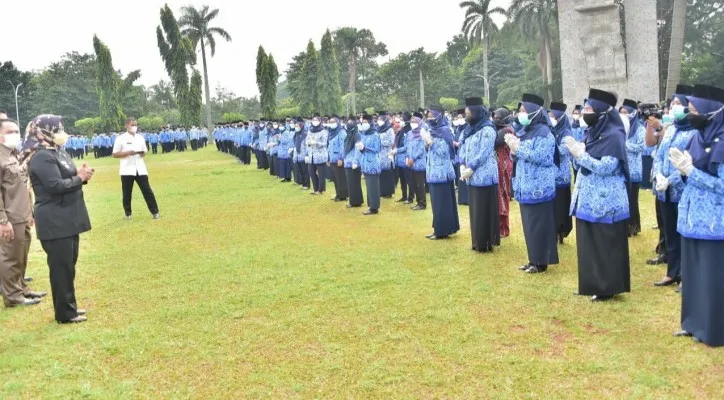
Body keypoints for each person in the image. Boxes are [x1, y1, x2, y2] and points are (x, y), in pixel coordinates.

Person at [671, 84, 724, 347]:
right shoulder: (696, 137)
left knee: (711, 276)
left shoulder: (723, 141)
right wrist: (678, 173)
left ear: (711, 111)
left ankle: (712, 329)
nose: (690, 114)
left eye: (694, 109)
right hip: (691, 217)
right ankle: (692, 323)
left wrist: (692, 173)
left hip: (714, 221)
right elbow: (688, 171)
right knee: (692, 274)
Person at [565, 88, 631, 302]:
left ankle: (607, 287)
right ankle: (590, 283)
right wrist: (577, 154)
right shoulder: (592, 132)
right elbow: (582, 161)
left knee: (604, 244)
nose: (585, 113)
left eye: (589, 109)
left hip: (605, 201)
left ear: (602, 112)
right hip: (587, 199)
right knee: (588, 244)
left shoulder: (614, 136)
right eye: (584, 108)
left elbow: (607, 167)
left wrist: (581, 156)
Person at [27, 115, 92, 323]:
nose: (61, 132)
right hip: (55, 220)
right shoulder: (41, 157)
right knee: (61, 268)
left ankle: (69, 307)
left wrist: (81, 174)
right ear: (43, 132)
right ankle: (64, 313)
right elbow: (55, 186)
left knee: (69, 265)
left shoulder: (57, 152)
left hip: (68, 218)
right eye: (56, 129)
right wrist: (79, 178)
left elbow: (67, 178)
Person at [505, 93, 559, 274]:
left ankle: (541, 261)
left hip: (538, 187)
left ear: (535, 113)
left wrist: (519, 149)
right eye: (520, 111)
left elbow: (542, 157)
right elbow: (519, 156)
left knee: (539, 225)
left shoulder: (544, 133)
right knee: (529, 225)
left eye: (523, 111)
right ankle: (532, 259)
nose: (520, 114)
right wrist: (513, 150)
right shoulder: (525, 131)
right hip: (524, 185)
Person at [651, 84, 698, 288]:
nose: (674, 107)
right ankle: (672, 271)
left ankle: (686, 275)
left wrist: (671, 179)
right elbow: (659, 155)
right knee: (669, 232)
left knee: (683, 234)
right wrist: (658, 175)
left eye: (679, 103)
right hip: (665, 192)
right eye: (672, 104)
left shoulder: (694, 133)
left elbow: (688, 163)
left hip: (681, 190)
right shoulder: (670, 131)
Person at [0, 119, 47, 307]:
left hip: (22, 214)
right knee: (10, 257)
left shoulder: (14, 154)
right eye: (10, 131)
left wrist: (30, 212)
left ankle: (21, 289)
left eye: (16, 131)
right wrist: (2, 220)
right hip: (9, 217)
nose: (15, 134)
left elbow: (22, 186)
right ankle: (12, 296)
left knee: (21, 255)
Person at [459, 97, 499, 251]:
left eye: (468, 112)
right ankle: (476, 241)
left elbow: (485, 151)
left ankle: (486, 242)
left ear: (476, 112)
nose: (466, 115)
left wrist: (471, 167)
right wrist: (462, 163)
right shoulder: (467, 129)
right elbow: (462, 147)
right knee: (474, 210)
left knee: (484, 210)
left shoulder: (488, 129)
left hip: (485, 176)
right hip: (471, 176)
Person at [112, 118, 160, 220]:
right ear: (126, 126)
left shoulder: (140, 137)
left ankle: (155, 212)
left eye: (135, 124)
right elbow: (115, 154)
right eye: (132, 125)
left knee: (147, 190)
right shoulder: (120, 138)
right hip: (127, 169)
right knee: (127, 193)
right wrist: (127, 153)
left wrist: (142, 153)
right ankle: (128, 213)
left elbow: (145, 151)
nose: (134, 126)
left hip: (140, 168)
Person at [424, 105, 460, 240]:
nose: (430, 119)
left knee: (441, 203)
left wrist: (430, 143)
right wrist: (427, 144)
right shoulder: (432, 130)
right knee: (436, 203)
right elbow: (430, 151)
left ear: (439, 117)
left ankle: (442, 231)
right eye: (428, 117)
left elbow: (445, 152)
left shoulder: (445, 131)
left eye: (432, 116)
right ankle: (438, 228)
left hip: (442, 173)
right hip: (433, 172)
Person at [549, 102, 574, 244]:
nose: (550, 117)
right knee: (553, 206)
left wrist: (550, 144)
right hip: (551, 176)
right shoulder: (550, 131)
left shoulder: (566, 133)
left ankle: (561, 232)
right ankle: (553, 231)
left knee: (561, 206)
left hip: (561, 176)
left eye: (553, 115)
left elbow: (564, 151)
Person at [620, 99, 645, 236]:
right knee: (624, 199)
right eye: (621, 112)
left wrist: (625, 145)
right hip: (623, 168)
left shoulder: (639, 127)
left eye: (626, 112)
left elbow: (642, 146)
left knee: (632, 200)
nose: (623, 115)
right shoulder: (620, 127)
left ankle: (633, 226)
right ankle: (625, 226)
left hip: (634, 169)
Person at [493, 108, 514, 238]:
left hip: (503, 165)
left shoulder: (507, 131)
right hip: (498, 164)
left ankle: (504, 229)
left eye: (497, 116)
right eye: (494, 116)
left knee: (502, 195)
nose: (495, 118)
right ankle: (498, 227)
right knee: (497, 196)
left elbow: (495, 142)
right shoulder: (499, 130)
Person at [358, 114, 381, 215]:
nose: (364, 124)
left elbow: (377, 149)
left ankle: (374, 207)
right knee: (368, 186)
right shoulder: (364, 134)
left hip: (373, 163)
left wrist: (365, 148)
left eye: (366, 122)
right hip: (365, 163)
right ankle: (370, 205)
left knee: (373, 186)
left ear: (371, 123)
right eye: (363, 122)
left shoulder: (375, 134)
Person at [406, 112, 428, 210]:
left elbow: (422, 149)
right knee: (414, 184)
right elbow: (408, 147)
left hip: (419, 162)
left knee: (420, 184)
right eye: (411, 121)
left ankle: (422, 203)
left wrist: (413, 158)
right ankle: (418, 202)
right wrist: (408, 157)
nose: (412, 123)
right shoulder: (410, 133)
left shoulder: (422, 132)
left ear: (419, 122)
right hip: (410, 162)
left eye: (415, 121)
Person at [392, 113, 413, 204]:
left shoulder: (409, 131)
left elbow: (407, 146)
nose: (400, 121)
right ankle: (404, 196)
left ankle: (410, 197)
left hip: (405, 158)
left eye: (402, 119)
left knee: (409, 179)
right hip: (399, 159)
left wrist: (397, 150)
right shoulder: (402, 130)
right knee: (402, 179)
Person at [343, 116, 363, 208]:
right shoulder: (348, 134)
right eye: (348, 122)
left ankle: (355, 201)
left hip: (354, 162)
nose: (349, 124)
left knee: (354, 182)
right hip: (348, 161)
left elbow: (358, 149)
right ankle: (354, 200)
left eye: (351, 123)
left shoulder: (357, 134)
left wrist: (355, 161)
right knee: (350, 183)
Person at [327, 115, 348, 202]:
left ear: (338, 122)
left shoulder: (341, 132)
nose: (332, 124)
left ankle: (343, 195)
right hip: (332, 158)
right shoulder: (331, 132)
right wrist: (328, 158)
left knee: (340, 178)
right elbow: (328, 146)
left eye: (333, 122)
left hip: (338, 159)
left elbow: (343, 146)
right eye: (330, 122)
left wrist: (340, 158)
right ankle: (338, 194)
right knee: (335, 178)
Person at [306, 114, 329, 195]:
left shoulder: (323, 131)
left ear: (320, 121)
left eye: (316, 120)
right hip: (311, 155)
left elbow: (325, 143)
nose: (315, 122)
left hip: (320, 155)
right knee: (311, 172)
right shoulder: (310, 130)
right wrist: (308, 143)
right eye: (313, 120)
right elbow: (307, 141)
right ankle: (315, 188)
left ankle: (320, 189)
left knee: (321, 173)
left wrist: (316, 142)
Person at [377, 112, 396, 198]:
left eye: (381, 120)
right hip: (380, 155)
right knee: (381, 174)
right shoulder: (378, 129)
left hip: (387, 154)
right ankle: (382, 191)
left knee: (387, 174)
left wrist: (380, 143)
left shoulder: (390, 129)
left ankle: (388, 192)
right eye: (378, 120)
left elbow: (391, 142)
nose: (379, 121)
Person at [453, 108, 470, 205]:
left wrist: (458, 144)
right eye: (458, 117)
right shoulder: (458, 128)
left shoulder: (467, 128)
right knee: (460, 177)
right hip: (458, 154)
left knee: (465, 175)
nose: (459, 119)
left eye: (461, 117)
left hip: (465, 155)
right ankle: (462, 199)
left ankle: (467, 199)